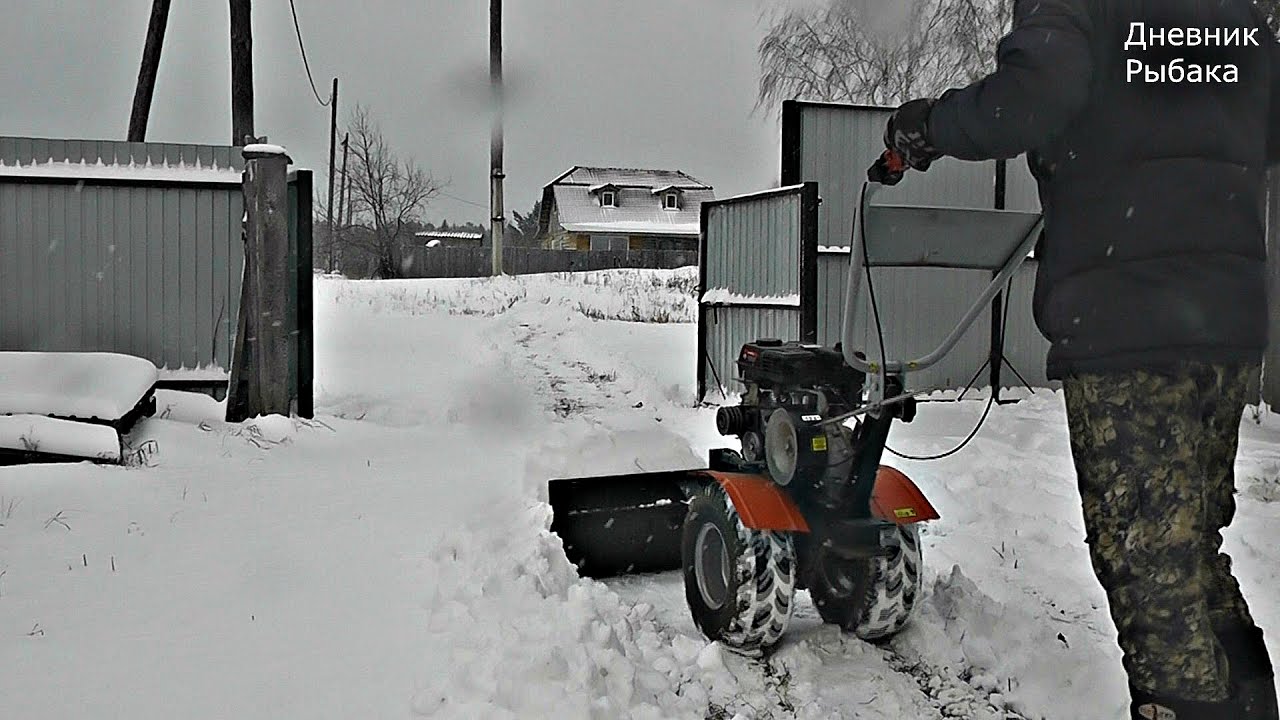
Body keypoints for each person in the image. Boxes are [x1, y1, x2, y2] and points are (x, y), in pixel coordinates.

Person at [880, 1, 1280, 718]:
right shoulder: (1235, 12)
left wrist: (928, 126)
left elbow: (1030, 100)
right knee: (1188, 549)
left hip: (1129, 317)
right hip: (1225, 319)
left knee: (1148, 567)